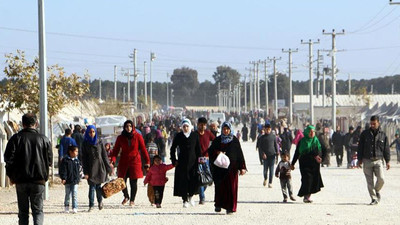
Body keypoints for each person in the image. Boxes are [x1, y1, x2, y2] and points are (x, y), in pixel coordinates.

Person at [4, 113, 52, 225]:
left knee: (23, 212)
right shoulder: (44, 139)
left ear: (23, 124)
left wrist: (11, 176)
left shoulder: (15, 139)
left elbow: (8, 159)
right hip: (38, 180)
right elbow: (49, 161)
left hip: (21, 180)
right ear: (36, 124)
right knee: (38, 211)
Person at [208, 121, 247, 214]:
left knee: (231, 188)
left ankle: (230, 207)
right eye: (224, 129)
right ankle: (218, 205)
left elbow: (239, 154)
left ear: (230, 130)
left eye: (227, 129)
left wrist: (242, 167)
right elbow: (210, 151)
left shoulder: (234, 140)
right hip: (219, 168)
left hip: (232, 169)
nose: (225, 131)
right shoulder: (217, 140)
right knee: (219, 187)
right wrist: (217, 152)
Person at [111, 120, 150, 206]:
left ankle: (132, 200)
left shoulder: (138, 136)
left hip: (135, 162)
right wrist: (113, 161)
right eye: (126, 126)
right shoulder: (120, 138)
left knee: (133, 182)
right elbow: (115, 150)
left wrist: (147, 161)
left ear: (132, 127)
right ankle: (126, 196)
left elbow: (143, 150)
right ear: (124, 128)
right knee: (122, 181)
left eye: (130, 126)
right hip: (123, 162)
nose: (128, 128)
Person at [358, 116, 390, 205]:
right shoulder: (365, 134)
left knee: (381, 179)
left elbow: (386, 149)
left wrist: (387, 161)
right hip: (367, 160)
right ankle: (374, 198)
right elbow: (360, 147)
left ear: (378, 123)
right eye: (371, 123)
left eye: (374, 123)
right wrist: (359, 159)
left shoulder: (383, 135)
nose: (372, 125)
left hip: (378, 160)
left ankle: (377, 190)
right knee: (369, 182)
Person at [170, 119, 201, 208]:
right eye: (184, 126)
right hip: (182, 163)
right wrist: (174, 160)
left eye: (187, 126)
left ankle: (190, 197)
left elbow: (198, 149)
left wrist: (200, 160)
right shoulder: (179, 136)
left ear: (190, 126)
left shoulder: (195, 135)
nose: (186, 128)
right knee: (183, 181)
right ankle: (185, 200)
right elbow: (173, 148)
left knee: (193, 181)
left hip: (193, 163)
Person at [82, 125, 112, 212]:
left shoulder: (99, 142)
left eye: (93, 132)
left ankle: (100, 202)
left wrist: (108, 168)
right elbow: (84, 158)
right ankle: (91, 205)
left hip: (99, 167)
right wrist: (86, 172)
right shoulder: (85, 143)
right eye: (90, 132)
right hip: (90, 168)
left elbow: (104, 155)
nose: (92, 134)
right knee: (91, 187)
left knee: (98, 187)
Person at [291, 125, 324, 203]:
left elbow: (320, 150)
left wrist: (319, 157)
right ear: (306, 132)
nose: (312, 133)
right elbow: (297, 153)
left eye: (313, 132)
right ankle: (306, 195)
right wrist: (293, 163)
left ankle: (308, 196)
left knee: (312, 180)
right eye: (310, 132)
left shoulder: (316, 140)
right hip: (304, 163)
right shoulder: (302, 141)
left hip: (314, 164)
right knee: (306, 179)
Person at [195, 117, 215, 205]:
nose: (202, 126)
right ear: (197, 125)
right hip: (197, 159)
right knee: (200, 178)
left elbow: (215, 141)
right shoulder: (194, 134)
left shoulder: (208, 133)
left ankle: (201, 191)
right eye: (200, 125)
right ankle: (202, 197)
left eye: (204, 125)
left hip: (206, 159)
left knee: (207, 179)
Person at [59, 145, 81, 214]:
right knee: (67, 194)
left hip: (75, 180)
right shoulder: (65, 160)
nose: (77, 153)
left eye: (77, 151)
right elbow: (63, 170)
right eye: (75, 151)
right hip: (67, 180)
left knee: (74, 193)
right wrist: (63, 178)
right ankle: (66, 206)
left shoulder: (77, 161)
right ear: (70, 152)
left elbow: (79, 170)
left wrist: (78, 178)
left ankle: (75, 207)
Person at [257, 122, 278, 188]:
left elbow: (275, 145)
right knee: (265, 170)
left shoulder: (273, 137)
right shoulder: (262, 138)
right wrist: (263, 154)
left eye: (269, 129)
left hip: (272, 155)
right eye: (266, 129)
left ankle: (270, 182)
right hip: (265, 156)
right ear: (264, 129)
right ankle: (265, 178)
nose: (267, 130)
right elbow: (260, 147)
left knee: (271, 170)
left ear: (270, 129)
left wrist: (277, 152)